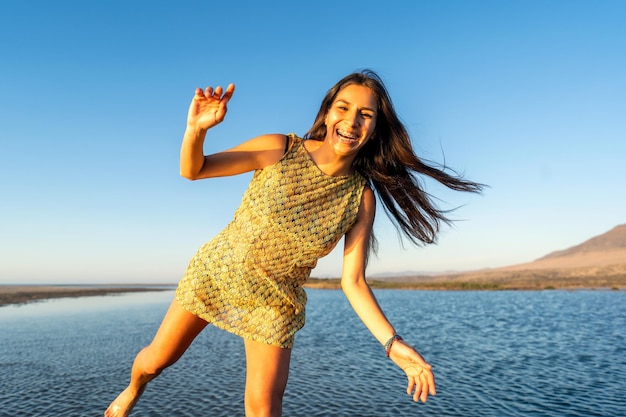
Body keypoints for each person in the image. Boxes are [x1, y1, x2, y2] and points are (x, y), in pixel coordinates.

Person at [105, 70, 483, 417]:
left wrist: (392, 343)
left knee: (265, 405)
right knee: (155, 361)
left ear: (375, 127)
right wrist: (196, 129)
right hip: (217, 271)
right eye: (344, 108)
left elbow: (353, 282)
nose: (352, 121)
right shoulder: (280, 148)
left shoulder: (360, 198)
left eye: (365, 115)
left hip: (274, 300)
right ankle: (133, 389)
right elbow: (194, 170)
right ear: (328, 112)